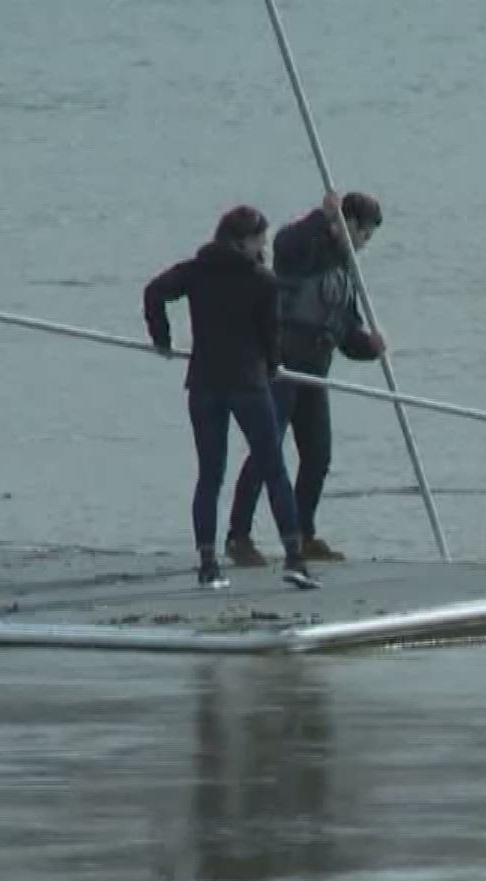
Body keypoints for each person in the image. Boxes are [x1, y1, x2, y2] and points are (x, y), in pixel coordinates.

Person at [144, 204, 322, 591]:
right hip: (248, 384)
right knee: (274, 469)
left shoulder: (195, 270)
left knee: (210, 475)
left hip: (204, 383)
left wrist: (161, 339)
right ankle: (294, 559)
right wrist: (273, 365)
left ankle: (208, 565)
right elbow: (269, 335)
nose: (264, 247)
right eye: (260, 239)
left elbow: (154, 292)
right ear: (244, 240)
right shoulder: (261, 280)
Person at [222, 189, 387, 568]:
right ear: (348, 226)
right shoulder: (306, 250)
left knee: (318, 455)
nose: (364, 245)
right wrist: (323, 217)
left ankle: (304, 533)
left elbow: (345, 332)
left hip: (316, 373)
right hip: (283, 368)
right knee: (267, 452)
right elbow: (285, 243)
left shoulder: (346, 272)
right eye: (363, 235)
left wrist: (370, 347)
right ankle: (239, 536)